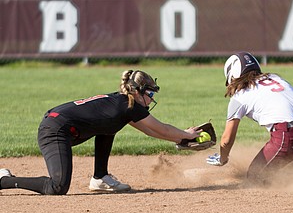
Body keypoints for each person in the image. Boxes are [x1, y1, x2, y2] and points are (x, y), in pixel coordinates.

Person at [0, 70, 201, 195]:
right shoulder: (128, 106)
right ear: (137, 91)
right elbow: (162, 129)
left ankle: (100, 178)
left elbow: (151, 131)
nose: (151, 98)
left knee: (110, 126)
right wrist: (187, 134)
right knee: (57, 187)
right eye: (149, 93)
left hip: (60, 125)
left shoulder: (124, 103)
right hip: (54, 130)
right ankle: (4, 180)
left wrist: (181, 139)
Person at [207, 52, 293, 185]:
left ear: (232, 75)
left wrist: (223, 159)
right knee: (286, 155)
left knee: (254, 178)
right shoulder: (275, 78)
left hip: (291, 134)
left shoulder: (239, 96)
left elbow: (226, 140)